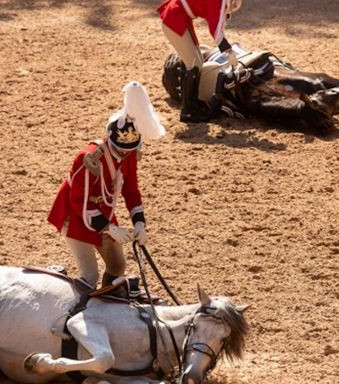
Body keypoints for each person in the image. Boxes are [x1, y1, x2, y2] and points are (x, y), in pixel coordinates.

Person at [47, 81, 165, 298]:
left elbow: (131, 190)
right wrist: (110, 228)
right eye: (121, 149)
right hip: (75, 215)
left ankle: (105, 302)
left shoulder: (128, 155)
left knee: (117, 265)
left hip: (102, 213)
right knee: (89, 274)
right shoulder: (89, 158)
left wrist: (139, 222)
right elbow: (79, 202)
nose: (124, 154)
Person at [158, 0, 244, 122]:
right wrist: (228, 51)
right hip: (175, 18)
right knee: (193, 64)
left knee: (197, 62)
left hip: (180, 16)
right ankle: (187, 111)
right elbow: (216, 30)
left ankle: (193, 104)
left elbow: (219, 23)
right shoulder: (218, 2)